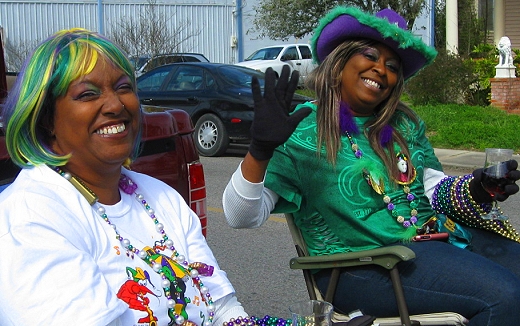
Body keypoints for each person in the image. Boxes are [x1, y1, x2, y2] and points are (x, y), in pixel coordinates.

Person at [223, 6, 520, 326]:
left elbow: (431, 190)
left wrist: (476, 188)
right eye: (369, 55)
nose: (381, 69)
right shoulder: (301, 128)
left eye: (392, 65)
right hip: (360, 269)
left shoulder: (404, 124)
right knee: (504, 296)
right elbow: (240, 217)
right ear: (339, 62)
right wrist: (260, 150)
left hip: (431, 247)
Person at [0, 28, 248, 326]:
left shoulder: (160, 196)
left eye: (123, 87)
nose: (116, 105)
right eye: (88, 94)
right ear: (45, 118)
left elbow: (221, 307)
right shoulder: (30, 216)